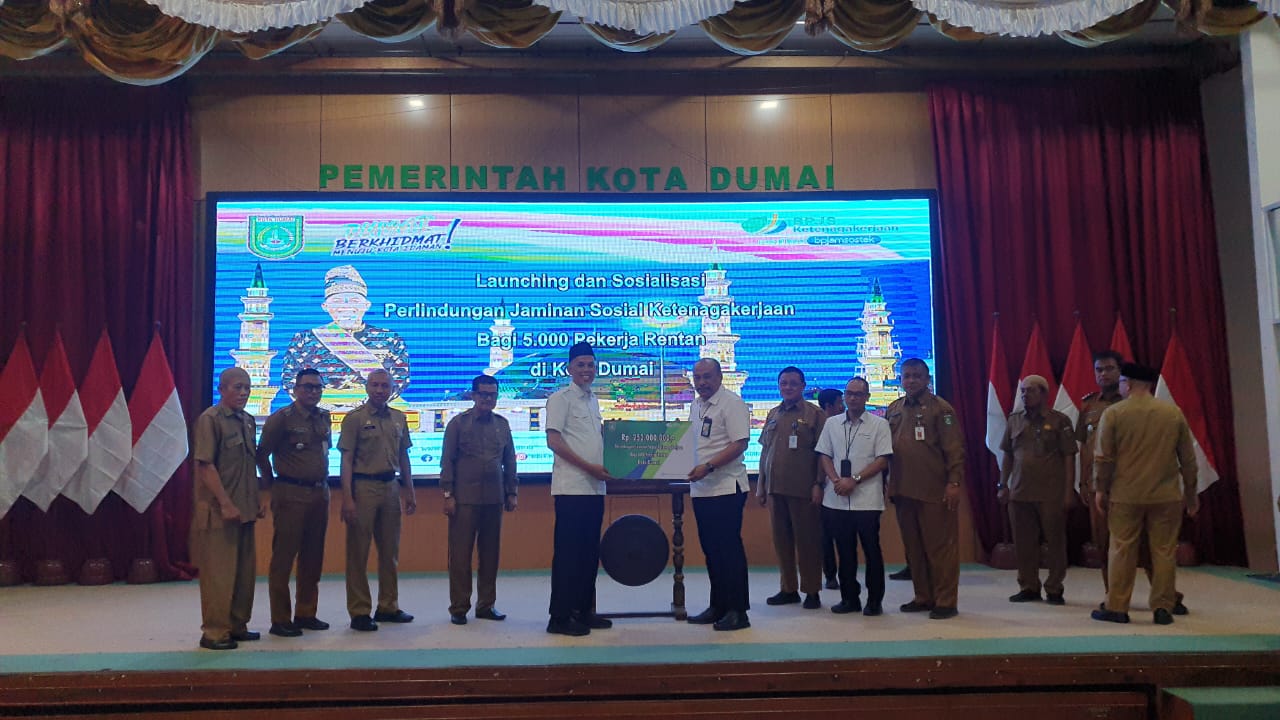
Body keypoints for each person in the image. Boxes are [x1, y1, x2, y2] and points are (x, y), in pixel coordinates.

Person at [1077, 350, 1187, 614]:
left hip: (1133, 486)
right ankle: (1115, 597)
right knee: (1107, 545)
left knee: (1151, 546)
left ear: (1122, 374)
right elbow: (1085, 449)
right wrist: (1085, 484)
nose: (1103, 374)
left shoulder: (1137, 405)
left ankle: (1165, 597)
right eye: (1098, 370)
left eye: (1109, 369)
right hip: (1102, 486)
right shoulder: (1089, 406)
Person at [885, 358, 965, 620]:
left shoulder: (941, 409)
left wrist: (954, 483)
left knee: (940, 548)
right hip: (902, 488)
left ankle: (945, 600)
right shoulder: (894, 408)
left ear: (927, 379)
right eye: (906, 376)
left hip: (934, 490)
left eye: (916, 376)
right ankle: (923, 596)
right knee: (914, 548)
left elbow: (954, 449)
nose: (911, 380)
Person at [255, 368, 333, 638]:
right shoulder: (282, 418)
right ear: (296, 389)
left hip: (320, 493)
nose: (313, 392)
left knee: (313, 557)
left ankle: (306, 613)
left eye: (317, 387)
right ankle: (280, 619)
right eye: (308, 386)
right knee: (284, 557)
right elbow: (261, 453)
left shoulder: (324, 416)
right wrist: (270, 483)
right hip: (290, 493)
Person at [191, 367, 265, 650]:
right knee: (219, 575)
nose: (243, 393)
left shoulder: (247, 420)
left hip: (244, 509)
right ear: (222, 389)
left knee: (244, 574)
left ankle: (237, 625)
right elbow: (205, 466)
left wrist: (255, 499)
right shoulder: (210, 419)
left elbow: (248, 464)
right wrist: (225, 503)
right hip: (219, 511)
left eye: (247, 387)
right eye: (237, 387)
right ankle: (214, 632)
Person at [338, 368, 417, 631]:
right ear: (367, 387)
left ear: (392, 389)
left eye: (385, 385)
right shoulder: (354, 419)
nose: (380, 390)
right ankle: (360, 611)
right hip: (363, 487)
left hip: (391, 487)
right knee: (358, 553)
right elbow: (346, 460)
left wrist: (409, 490)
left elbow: (404, 457)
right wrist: (347, 498)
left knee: (390, 551)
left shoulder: (399, 418)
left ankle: (388, 606)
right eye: (375, 385)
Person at [545, 341, 615, 637]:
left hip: (595, 488)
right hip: (571, 488)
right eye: (581, 365)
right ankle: (559, 617)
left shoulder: (593, 400)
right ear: (569, 368)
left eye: (591, 365)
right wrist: (589, 467)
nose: (587, 370)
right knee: (568, 555)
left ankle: (584, 611)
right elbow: (554, 442)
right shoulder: (560, 399)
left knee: (588, 553)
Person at [441, 374, 519, 626]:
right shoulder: (458, 424)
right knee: (460, 557)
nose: (487, 399)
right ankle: (459, 607)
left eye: (492, 395)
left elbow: (509, 461)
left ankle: (486, 605)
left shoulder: (502, 424)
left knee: (490, 556)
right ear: (473, 395)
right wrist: (448, 494)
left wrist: (512, 492)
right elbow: (447, 461)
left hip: (494, 499)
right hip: (464, 500)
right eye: (483, 394)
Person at [815, 377, 893, 616]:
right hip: (836, 497)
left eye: (858, 394)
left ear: (867, 397)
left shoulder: (879, 424)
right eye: (849, 393)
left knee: (871, 551)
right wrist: (836, 480)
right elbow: (824, 455)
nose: (853, 398)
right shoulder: (832, 423)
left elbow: (882, 459)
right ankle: (849, 598)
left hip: (867, 499)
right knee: (844, 551)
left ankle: (874, 601)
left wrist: (854, 480)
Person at [686, 358, 753, 631]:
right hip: (701, 490)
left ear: (720, 377)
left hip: (726, 488)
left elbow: (740, 443)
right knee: (711, 551)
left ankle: (738, 611)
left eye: (707, 376)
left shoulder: (732, 404)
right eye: (698, 377)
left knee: (729, 551)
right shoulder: (696, 405)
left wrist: (710, 466)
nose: (702, 382)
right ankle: (719, 606)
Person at [281, 264, 410, 406]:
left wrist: (365, 405)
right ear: (325, 306)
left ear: (367, 305)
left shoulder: (390, 339)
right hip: (317, 410)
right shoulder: (304, 339)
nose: (346, 306)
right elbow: (290, 379)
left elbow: (399, 379)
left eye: (354, 301)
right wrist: (320, 406)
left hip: (375, 410)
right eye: (337, 301)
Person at [998, 374, 1077, 605]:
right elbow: (1007, 455)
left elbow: (1069, 457)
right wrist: (1002, 484)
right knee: (1023, 543)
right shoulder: (1014, 420)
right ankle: (1028, 586)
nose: (1025, 395)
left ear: (1044, 394)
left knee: (1055, 542)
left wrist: (1069, 491)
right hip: (1019, 491)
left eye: (1031, 390)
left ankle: (1054, 587)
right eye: (1023, 391)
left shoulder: (1060, 420)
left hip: (1050, 492)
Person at [757, 367, 827, 610]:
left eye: (793, 383)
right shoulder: (773, 414)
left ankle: (812, 590)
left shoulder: (815, 414)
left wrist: (818, 483)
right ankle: (788, 589)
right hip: (775, 489)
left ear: (803, 386)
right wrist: (761, 485)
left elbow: (824, 453)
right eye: (784, 383)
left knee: (807, 542)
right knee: (782, 541)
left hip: (804, 489)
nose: (788, 387)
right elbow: (765, 451)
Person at [816, 388, 845, 590]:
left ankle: (842, 574)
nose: (843, 407)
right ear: (829, 406)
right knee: (825, 535)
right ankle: (830, 575)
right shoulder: (823, 427)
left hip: (844, 486)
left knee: (843, 535)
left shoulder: (844, 425)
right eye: (840, 403)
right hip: (824, 486)